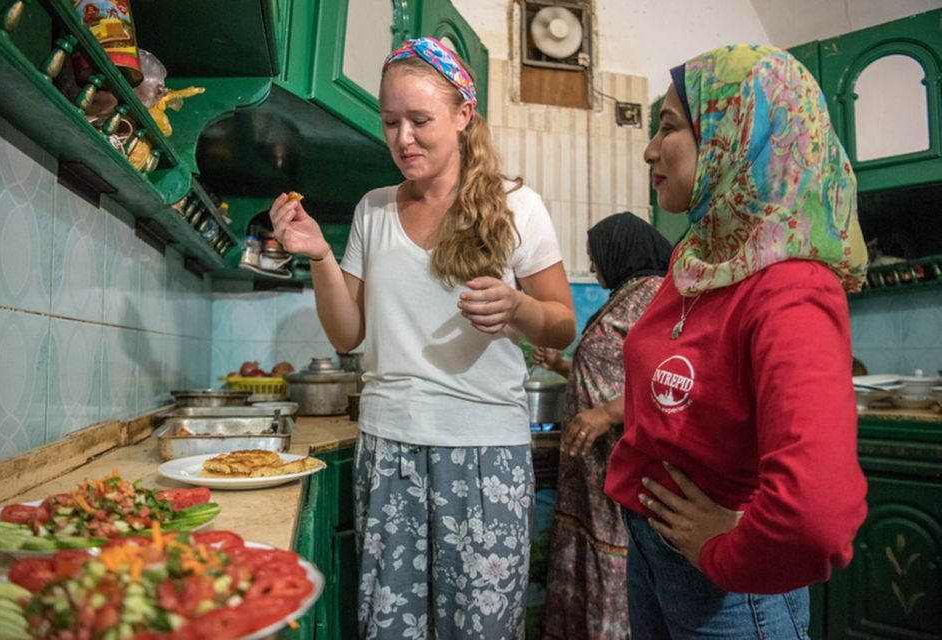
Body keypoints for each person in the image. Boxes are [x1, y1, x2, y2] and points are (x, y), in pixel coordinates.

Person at [269, 37, 575, 639]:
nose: (402, 139)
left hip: (486, 452)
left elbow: (562, 322)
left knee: (480, 630)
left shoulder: (518, 207)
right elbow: (348, 332)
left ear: (463, 116)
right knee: (392, 626)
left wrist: (518, 307)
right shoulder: (372, 210)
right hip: (390, 451)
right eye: (390, 122)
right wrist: (320, 255)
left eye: (419, 121)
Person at [603, 44, 869, 638]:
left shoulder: (791, 286)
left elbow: (817, 514)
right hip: (655, 550)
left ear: (738, 135)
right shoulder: (697, 263)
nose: (650, 149)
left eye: (668, 127)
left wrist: (724, 551)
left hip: (726, 589)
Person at [532, 212, 672, 640]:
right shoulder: (627, 294)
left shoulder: (654, 295)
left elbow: (667, 384)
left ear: (620, 250)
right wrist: (561, 364)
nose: (592, 267)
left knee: (617, 561)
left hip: (620, 461)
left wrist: (603, 415)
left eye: (595, 257)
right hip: (593, 469)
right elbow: (613, 370)